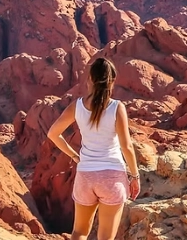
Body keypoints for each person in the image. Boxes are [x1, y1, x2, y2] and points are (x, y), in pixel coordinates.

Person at [46, 57, 140, 240]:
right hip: (112, 176)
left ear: (90, 79)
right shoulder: (116, 107)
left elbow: (53, 134)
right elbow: (126, 146)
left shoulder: (77, 106)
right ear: (112, 81)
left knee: (79, 232)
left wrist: (74, 156)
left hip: (85, 175)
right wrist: (135, 176)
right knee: (105, 237)